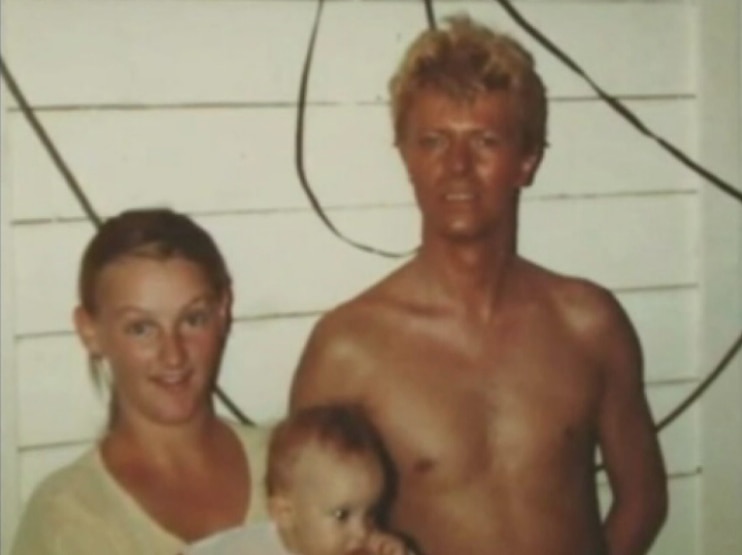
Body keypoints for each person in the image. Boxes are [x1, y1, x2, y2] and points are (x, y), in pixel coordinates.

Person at [290, 15, 668, 555]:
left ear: (527, 160)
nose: (458, 167)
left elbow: (643, 497)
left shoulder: (589, 324)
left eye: (485, 141)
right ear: (406, 157)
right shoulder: (347, 349)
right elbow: (304, 533)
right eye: (435, 142)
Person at [11, 208, 271, 555]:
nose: (174, 355)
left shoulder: (291, 462)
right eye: (141, 328)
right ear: (90, 331)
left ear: (222, 311)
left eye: (193, 319)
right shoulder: (68, 514)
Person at [184, 404, 409, 555]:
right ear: (285, 513)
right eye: (342, 515)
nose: (362, 533)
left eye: (370, 514)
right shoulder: (247, 549)